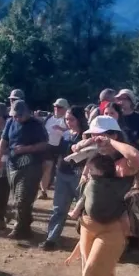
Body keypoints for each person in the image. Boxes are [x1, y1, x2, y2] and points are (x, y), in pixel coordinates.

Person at [61, 115, 139, 276]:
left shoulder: (121, 164)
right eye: (92, 134)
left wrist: (111, 142)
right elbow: (73, 149)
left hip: (112, 230)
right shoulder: (92, 156)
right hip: (87, 226)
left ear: (115, 136)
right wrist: (88, 142)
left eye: (103, 135)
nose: (96, 139)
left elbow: (136, 158)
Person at [0, 99, 49, 240]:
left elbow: (44, 144)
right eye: (14, 115)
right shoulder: (10, 122)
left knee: (22, 197)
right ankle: (25, 225)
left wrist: (27, 149)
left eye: (19, 115)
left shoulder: (36, 125)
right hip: (13, 164)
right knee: (17, 198)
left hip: (31, 165)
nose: (16, 118)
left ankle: (19, 227)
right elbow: (4, 140)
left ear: (26, 113)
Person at [44, 106, 87, 251]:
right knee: (59, 208)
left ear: (79, 119)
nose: (68, 122)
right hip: (62, 174)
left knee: (84, 210)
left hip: (79, 176)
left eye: (71, 119)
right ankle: (51, 238)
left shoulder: (86, 136)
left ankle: (87, 240)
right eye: (67, 119)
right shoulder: (66, 134)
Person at [40, 99, 70, 200]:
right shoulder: (49, 118)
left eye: (60, 107)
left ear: (65, 109)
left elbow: (73, 132)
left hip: (63, 147)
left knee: (60, 170)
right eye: (55, 106)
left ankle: (62, 192)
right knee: (47, 167)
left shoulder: (68, 119)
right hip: (49, 147)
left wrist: (62, 130)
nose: (57, 108)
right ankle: (43, 191)